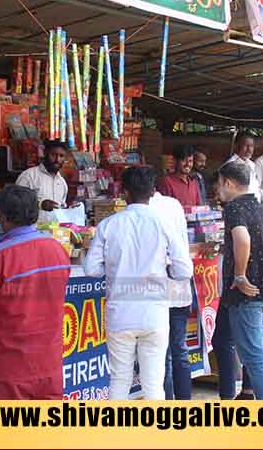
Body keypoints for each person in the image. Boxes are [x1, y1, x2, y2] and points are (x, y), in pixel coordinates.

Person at [84, 166, 192, 399]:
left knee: (119, 380)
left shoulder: (109, 225)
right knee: (153, 385)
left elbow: (91, 269)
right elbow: (184, 270)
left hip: (120, 313)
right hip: (154, 312)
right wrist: (165, 269)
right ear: (153, 192)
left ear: (125, 192)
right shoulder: (164, 223)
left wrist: (113, 268)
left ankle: (118, 435)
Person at [0, 185, 71, 399]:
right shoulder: (57, 249)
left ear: (3, 217)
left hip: (10, 368)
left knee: (9, 431)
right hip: (49, 364)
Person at [217, 161, 263, 400]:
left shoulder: (234, 208)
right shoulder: (257, 207)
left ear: (228, 183)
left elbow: (242, 240)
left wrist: (240, 274)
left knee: (254, 357)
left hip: (246, 295)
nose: (217, 190)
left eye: (218, 184)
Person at [148, 190, 193, 400]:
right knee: (179, 349)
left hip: (158, 291)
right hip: (179, 285)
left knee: (162, 355)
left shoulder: (144, 210)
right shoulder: (173, 204)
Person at [16, 140, 71, 222]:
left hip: (55, 233)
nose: (57, 159)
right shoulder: (29, 176)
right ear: (45, 154)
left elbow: (61, 209)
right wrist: (40, 204)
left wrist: (70, 209)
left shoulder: (62, 183)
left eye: (61, 156)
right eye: (53, 155)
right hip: (32, 232)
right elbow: (15, 203)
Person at [225, 131, 261, 201]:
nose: (249, 149)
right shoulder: (230, 166)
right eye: (246, 145)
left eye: (251, 146)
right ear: (236, 146)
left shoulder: (252, 165)